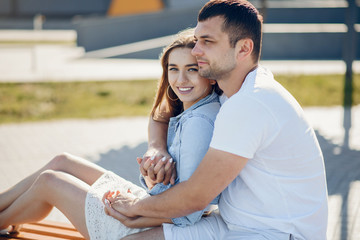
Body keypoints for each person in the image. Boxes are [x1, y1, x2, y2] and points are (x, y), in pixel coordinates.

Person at [104, 1, 328, 240]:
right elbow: (162, 112)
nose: (197, 50)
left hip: (276, 234)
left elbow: (194, 198)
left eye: (207, 42)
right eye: (198, 39)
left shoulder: (251, 103)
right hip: (234, 223)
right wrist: (157, 148)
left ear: (243, 49)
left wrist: (135, 207)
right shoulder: (234, 88)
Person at [0, 29, 222, 239]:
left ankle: (5, 218)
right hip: (150, 206)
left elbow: (189, 213)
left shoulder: (198, 124)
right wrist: (157, 150)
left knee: (50, 181)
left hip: (142, 225)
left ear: (211, 75)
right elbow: (159, 116)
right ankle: (10, 212)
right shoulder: (197, 107)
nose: (180, 80)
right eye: (174, 68)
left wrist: (133, 214)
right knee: (62, 161)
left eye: (192, 69)